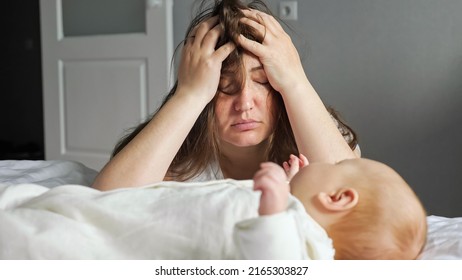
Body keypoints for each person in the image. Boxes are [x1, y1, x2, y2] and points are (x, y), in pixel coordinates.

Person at [92, 0, 359, 191]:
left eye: (263, 81)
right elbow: (106, 198)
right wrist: (189, 94)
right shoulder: (180, 156)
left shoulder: (317, 129)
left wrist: (296, 81)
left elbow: (356, 194)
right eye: (225, 86)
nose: (244, 104)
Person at [239, 155, 428, 260]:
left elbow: (272, 261)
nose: (328, 161)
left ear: (337, 198)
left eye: (337, 164)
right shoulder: (300, 224)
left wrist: (273, 213)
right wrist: (290, 187)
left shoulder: (311, 246)